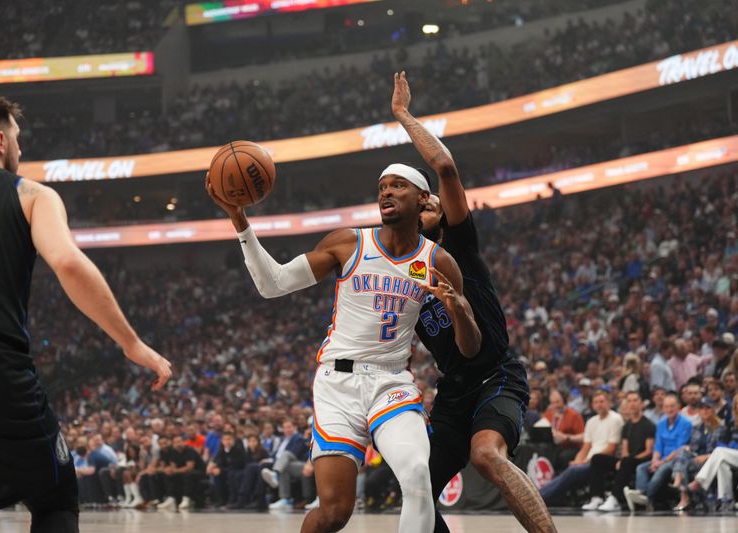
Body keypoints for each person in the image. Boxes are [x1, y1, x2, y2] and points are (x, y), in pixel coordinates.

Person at [207, 72, 480, 533]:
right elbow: (272, 284)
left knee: (416, 477)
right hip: (337, 382)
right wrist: (239, 220)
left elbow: (470, 348)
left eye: (398, 186)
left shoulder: (440, 261)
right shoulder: (348, 244)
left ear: (422, 199)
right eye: (382, 188)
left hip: (392, 382)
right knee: (334, 512)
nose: (386, 192)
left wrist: (459, 310)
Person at [0, 92, 172, 533]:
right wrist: (131, 343)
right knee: (55, 498)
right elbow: (66, 262)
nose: (23, 151)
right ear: (1, 141)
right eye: (20, 140)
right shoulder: (31, 195)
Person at [395, 74, 555, 532]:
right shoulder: (399, 271)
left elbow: (444, 168)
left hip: (497, 374)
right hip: (454, 387)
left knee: (486, 455)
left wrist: (404, 115)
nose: (425, 208)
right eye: (418, 205)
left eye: (431, 205)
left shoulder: (458, 245)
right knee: (418, 490)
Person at [539, 391, 623, 507]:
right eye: (596, 402)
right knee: (572, 467)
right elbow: (585, 447)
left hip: (603, 461)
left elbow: (611, 449)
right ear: (592, 405)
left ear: (609, 403)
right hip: (588, 461)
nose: (599, 404)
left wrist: (585, 461)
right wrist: (577, 461)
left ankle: (539, 497)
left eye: (602, 401)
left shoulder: (615, 419)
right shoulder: (591, 421)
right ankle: (542, 496)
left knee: (572, 471)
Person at [585, 391, 654, 512]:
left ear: (641, 403)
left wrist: (628, 460)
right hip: (627, 460)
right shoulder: (627, 426)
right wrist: (622, 460)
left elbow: (649, 451)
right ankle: (597, 497)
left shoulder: (648, 425)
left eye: (635, 400)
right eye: (629, 401)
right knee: (597, 458)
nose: (632, 404)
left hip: (642, 460)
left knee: (627, 461)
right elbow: (625, 449)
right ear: (626, 404)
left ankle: (614, 498)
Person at [624, 392, 693, 511]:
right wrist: (655, 459)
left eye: (672, 406)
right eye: (666, 406)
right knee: (641, 467)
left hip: (676, 459)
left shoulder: (685, 423)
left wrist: (661, 462)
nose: (669, 409)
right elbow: (658, 445)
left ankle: (645, 496)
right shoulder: (661, 423)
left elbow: (679, 448)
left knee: (661, 469)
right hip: (662, 458)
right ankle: (641, 493)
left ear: (678, 407)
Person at [686, 394, 738, 508]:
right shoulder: (734, 422)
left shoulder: (723, 426)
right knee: (722, 463)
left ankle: (699, 481)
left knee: (719, 451)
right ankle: (726, 499)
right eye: (737, 404)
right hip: (734, 455)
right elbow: (728, 443)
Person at [671, 398, 723, 511]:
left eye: (707, 408)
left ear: (713, 410)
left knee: (685, 465)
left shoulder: (721, 427)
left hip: (712, 460)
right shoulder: (696, 428)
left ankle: (683, 495)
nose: (704, 411)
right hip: (695, 459)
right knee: (682, 452)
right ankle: (679, 480)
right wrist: (687, 448)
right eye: (702, 408)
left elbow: (722, 449)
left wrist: (706, 456)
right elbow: (693, 448)